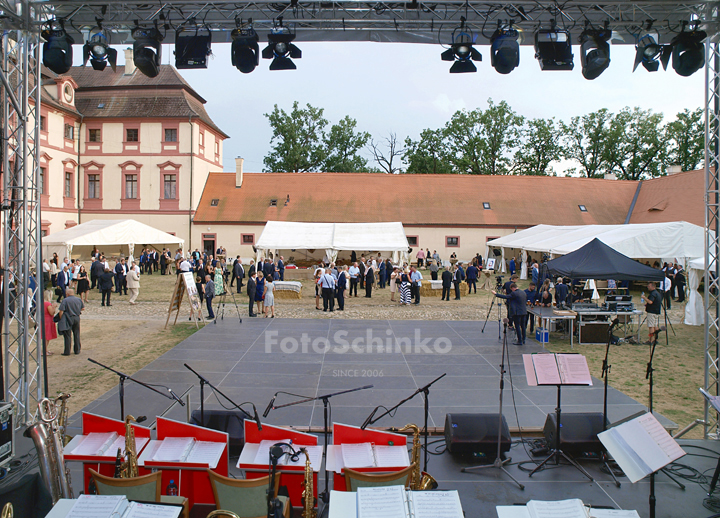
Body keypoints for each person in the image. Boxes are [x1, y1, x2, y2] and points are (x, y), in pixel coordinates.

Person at [57, 288, 83, 355]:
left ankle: (67, 351)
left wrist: (61, 318)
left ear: (67, 294)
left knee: (67, 335)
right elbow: (83, 308)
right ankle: (77, 350)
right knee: (77, 334)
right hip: (77, 317)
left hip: (68, 317)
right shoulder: (78, 299)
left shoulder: (65, 300)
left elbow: (61, 311)